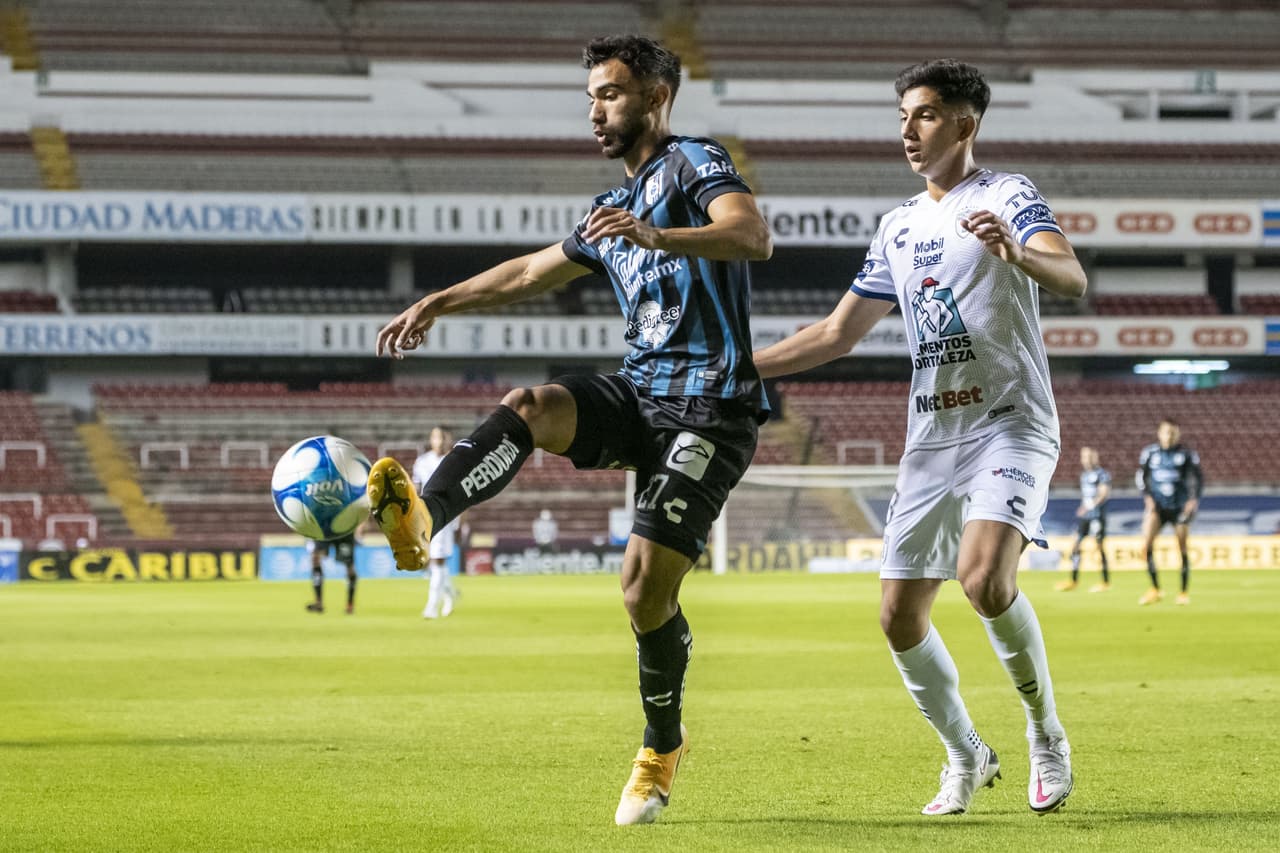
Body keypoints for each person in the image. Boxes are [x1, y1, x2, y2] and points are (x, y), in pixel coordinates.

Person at [364, 34, 771, 826]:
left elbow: (751, 234)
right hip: (642, 390)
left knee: (642, 590)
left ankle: (661, 744)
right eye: (591, 95)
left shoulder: (693, 163)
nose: (596, 108)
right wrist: (438, 301)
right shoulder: (605, 212)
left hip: (712, 407)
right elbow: (524, 272)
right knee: (531, 405)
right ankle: (422, 517)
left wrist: (661, 236)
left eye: (612, 93)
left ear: (655, 96)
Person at [752, 59, 1086, 817]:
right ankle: (967, 753)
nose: (908, 128)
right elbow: (839, 332)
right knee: (899, 614)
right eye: (904, 114)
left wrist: (1017, 251)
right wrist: (740, 365)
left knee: (984, 580)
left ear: (966, 124)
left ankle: (1045, 733)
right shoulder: (898, 225)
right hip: (934, 436)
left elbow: (1072, 277)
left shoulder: (1008, 195)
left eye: (926, 114)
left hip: (1011, 420)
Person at [1136, 419, 1203, 606]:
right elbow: (1141, 476)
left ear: (1178, 434)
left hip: (1179, 506)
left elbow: (1197, 479)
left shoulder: (1186, 454)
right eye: (1166, 432)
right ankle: (1155, 589)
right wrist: (1147, 498)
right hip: (1157, 507)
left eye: (1173, 432)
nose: (1169, 436)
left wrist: (1193, 499)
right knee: (1146, 545)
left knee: (1182, 547)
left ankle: (1183, 592)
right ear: (1159, 433)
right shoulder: (1150, 453)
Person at [412, 427, 462, 619]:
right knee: (429, 563)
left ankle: (431, 607)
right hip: (425, 516)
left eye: (443, 437)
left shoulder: (454, 462)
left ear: (449, 440)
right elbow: (416, 489)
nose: (439, 441)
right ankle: (450, 594)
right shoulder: (422, 462)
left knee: (438, 560)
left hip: (446, 515)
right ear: (431, 439)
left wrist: (461, 521)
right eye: (436, 437)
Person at [1057, 446, 1111, 592]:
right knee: (1075, 546)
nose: (1086, 460)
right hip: (1085, 517)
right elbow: (1086, 497)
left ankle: (1105, 582)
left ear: (1095, 457)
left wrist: (1090, 505)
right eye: (1084, 457)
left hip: (1097, 517)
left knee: (1099, 547)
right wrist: (1084, 508)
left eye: (1089, 456)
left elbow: (1103, 494)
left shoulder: (1102, 475)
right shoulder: (1084, 476)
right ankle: (1073, 580)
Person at [305, 532, 357, 615]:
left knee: (349, 566)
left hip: (344, 530)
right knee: (315, 558)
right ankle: (319, 603)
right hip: (325, 529)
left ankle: (349, 604)